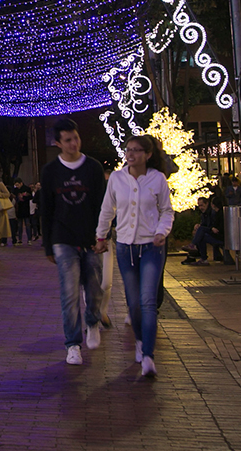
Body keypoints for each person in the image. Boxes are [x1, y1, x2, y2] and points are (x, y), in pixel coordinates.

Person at [96, 135, 174, 378]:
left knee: (149, 301)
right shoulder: (117, 179)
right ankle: (140, 341)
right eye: (128, 150)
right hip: (125, 247)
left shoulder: (157, 179)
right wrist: (101, 236)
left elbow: (166, 211)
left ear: (148, 155)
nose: (131, 154)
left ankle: (149, 355)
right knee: (134, 304)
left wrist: (161, 231)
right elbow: (107, 209)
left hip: (151, 246)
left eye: (137, 151)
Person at [39, 118, 108, 366]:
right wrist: (48, 245)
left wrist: (102, 236)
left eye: (75, 138)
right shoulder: (50, 171)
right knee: (69, 293)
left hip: (90, 238)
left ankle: (92, 321)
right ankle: (72, 344)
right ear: (57, 143)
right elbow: (46, 209)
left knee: (94, 286)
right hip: (62, 238)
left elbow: (102, 205)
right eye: (67, 140)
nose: (73, 143)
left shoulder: (93, 167)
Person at [11, 179, 29, 245]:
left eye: (17, 185)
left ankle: (29, 239)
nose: (17, 186)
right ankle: (20, 239)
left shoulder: (26, 188)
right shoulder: (15, 190)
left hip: (26, 209)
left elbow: (30, 197)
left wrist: (24, 196)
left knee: (27, 225)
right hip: (19, 210)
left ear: (21, 183)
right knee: (19, 225)